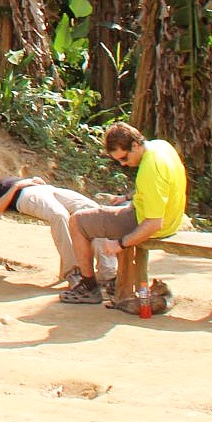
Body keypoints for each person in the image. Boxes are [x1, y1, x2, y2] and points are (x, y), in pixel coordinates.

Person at [61, 122, 189, 304]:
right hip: (171, 219)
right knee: (102, 212)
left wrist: (121, 244)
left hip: (151, 224)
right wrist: (127, 196)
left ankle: (88, 287)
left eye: (124, 158)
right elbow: (160, 189)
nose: (123, 164)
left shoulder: (150, 170)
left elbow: (153, 223)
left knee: (77, 221)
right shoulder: (161, 147)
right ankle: (113, 281)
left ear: (135, 145)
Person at [0, 170, 116, 287]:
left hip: (46, 190)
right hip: (24, 196)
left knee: (93, 210)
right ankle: (74, 272)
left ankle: (108, 273)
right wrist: (16, 187)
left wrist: (33, 181)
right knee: (59, 215)